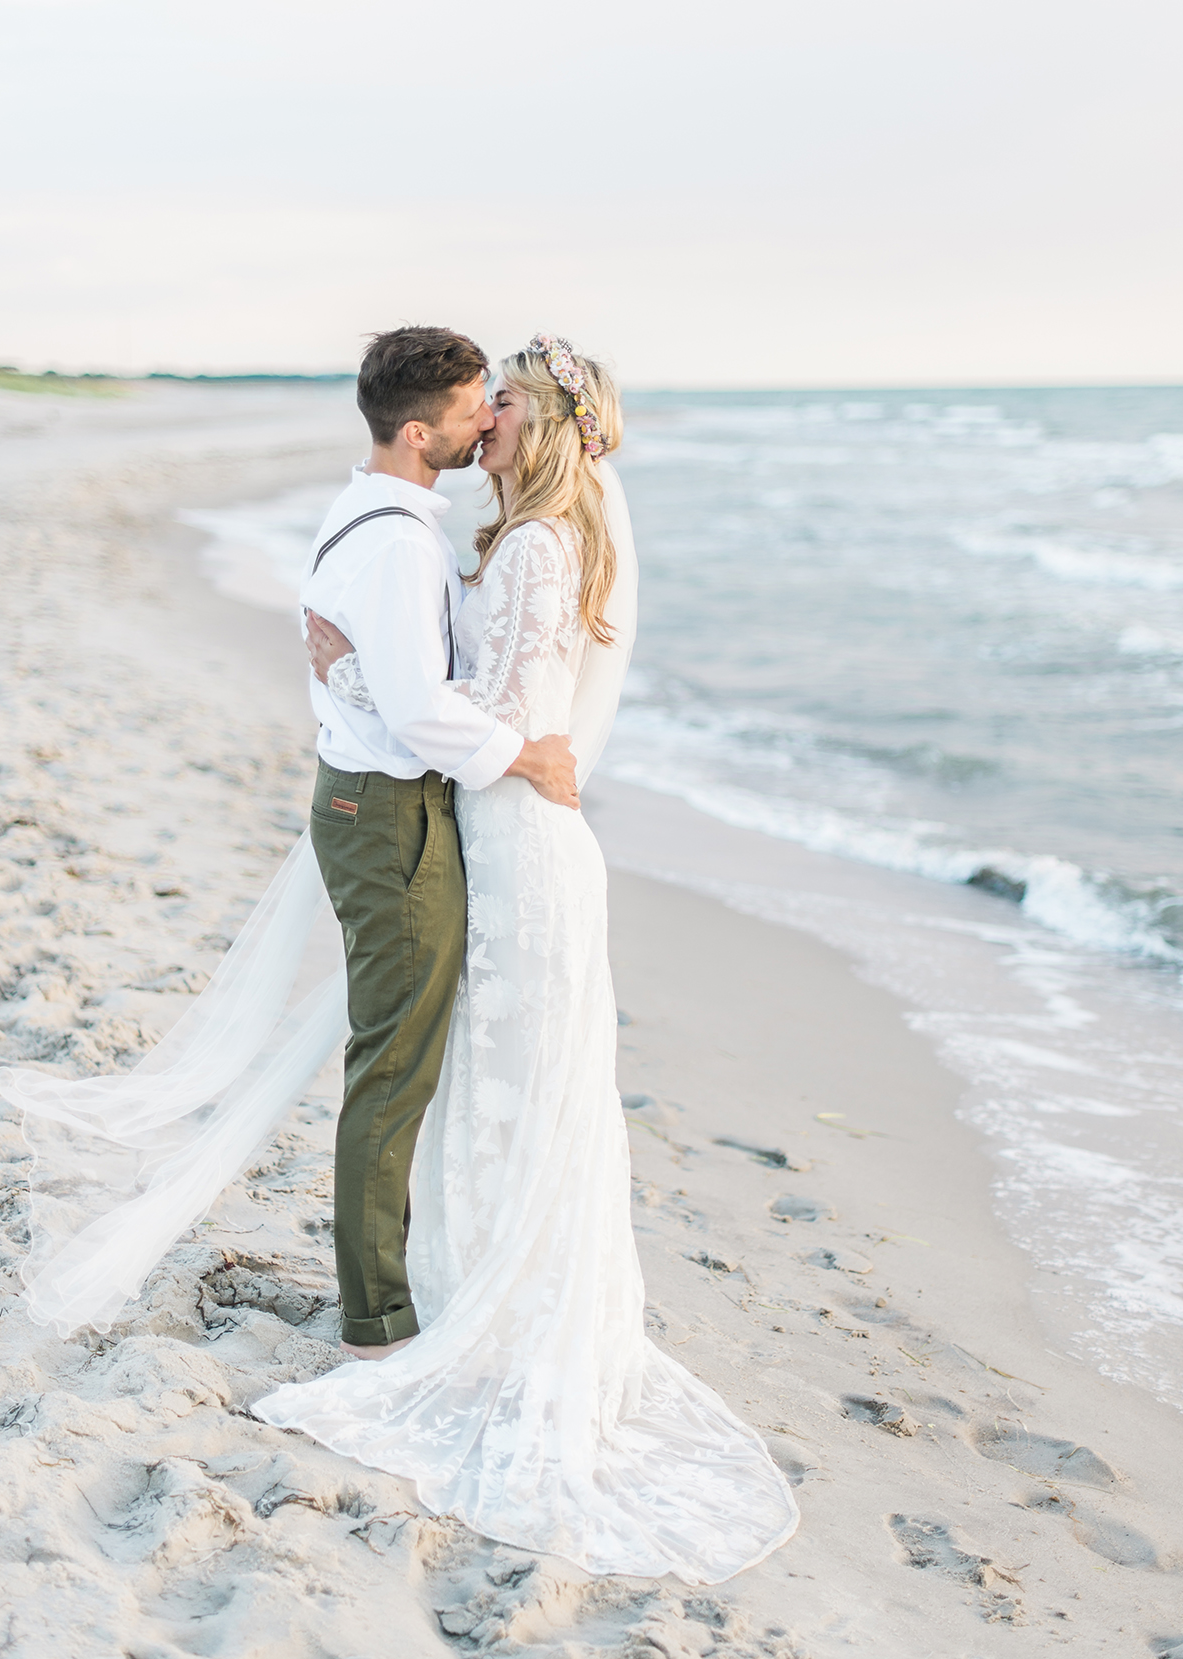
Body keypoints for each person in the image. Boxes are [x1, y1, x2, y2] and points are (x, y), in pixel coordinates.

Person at [253, 335, 799, 1583]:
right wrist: (367, 670)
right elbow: (465, 688)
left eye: (502, 402)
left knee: (517, 1078)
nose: (486, 418)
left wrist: (376, 686)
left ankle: (473, 1313)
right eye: (476, 401)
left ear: (542, 423)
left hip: (513, 838)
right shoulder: (502, 540)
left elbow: (493, 713)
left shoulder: (537, 545)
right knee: (487, 1073)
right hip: (486, 830)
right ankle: (460, 1292)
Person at [296, 326, 580, 1362]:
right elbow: (422, 713)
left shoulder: (376, 511)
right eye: (472, 410)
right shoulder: (401, 541)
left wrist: (348, 674)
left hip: (376, 804)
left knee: (400, 1055)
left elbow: (390, 681)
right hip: (390, 815)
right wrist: (529, 758)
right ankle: (375, 1319)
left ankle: (399, 1282)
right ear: (420, 433)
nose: (487, 421)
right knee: (394, 1066)